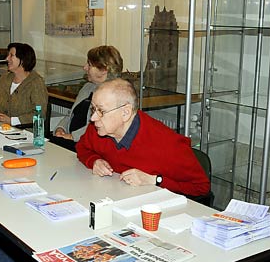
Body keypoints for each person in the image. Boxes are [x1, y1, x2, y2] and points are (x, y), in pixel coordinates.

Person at [75, 78, 210, 197]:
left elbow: (201, 187)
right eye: (93, 109)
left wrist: (154, 180)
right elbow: (82, 147)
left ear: (125, 112)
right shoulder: (99, 129)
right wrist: (94, 161)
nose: (93, 118)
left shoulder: (167, 144)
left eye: (101, 111)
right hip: (115, 198)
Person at [51, 45, 123, 152]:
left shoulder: (114, 94)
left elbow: (100, 125)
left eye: (89, 65)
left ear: (103, 70)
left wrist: (72, 136)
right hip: (71, 140)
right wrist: (60, 129)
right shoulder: (87, 87)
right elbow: (71, 114)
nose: (85, 67)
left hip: (91, 146)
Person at [0, 42, 48, 126]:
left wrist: (12, 121)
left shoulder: (36, 83)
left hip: (23, 132)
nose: (7, 58)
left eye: (11, 55)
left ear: (22, 60)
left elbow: (40, 114)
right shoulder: (4, 78)